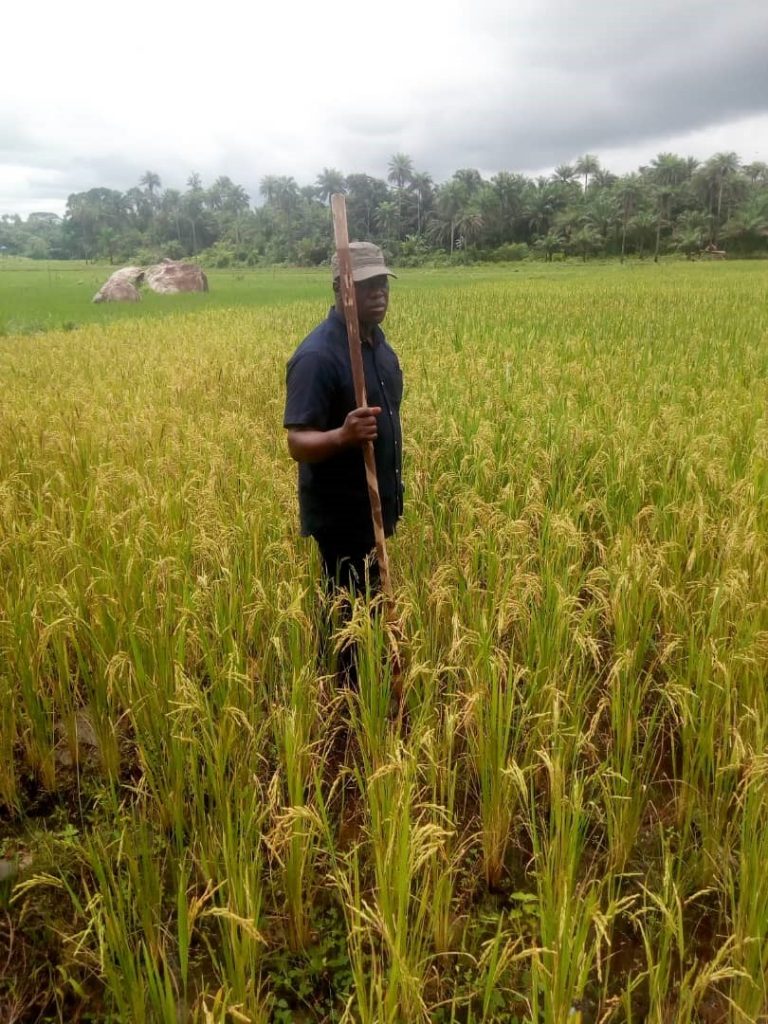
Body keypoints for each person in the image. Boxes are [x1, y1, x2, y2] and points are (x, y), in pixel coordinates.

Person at [283, 240, 403, 610]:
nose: (378, 292)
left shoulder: (380, 348)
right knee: (345, 614)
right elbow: (297, 443)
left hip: (377, 506)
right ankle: (340, 670)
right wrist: (343, 435)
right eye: (365, 284)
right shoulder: (317, 356)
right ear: (340, 287)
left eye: (382, 282)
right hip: (342, 516)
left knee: (374, 610)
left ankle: (371, 667)